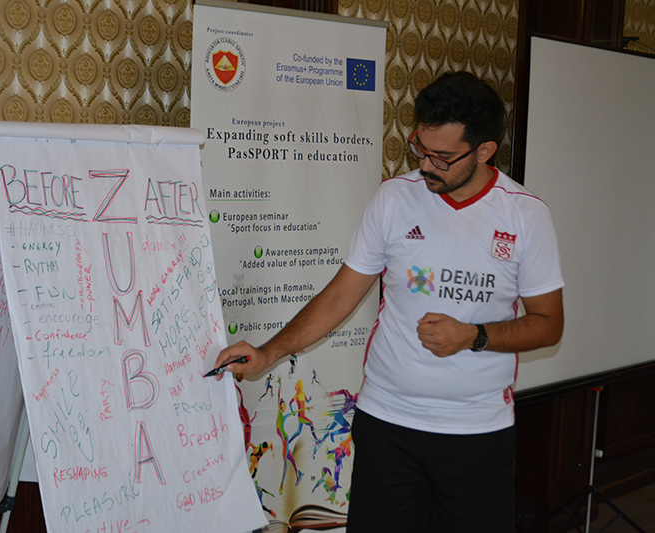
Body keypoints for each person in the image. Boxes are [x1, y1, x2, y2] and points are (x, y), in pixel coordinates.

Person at [213, 71, 564, 532]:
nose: (426, 165)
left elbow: (548, 324)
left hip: (476, 429)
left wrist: (472, 336)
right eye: (421, 147)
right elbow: (340, 295)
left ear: (484, 151)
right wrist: (268, 353)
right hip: (387, 424)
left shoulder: (525, 215)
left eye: (442, 157)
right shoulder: (394, 198)